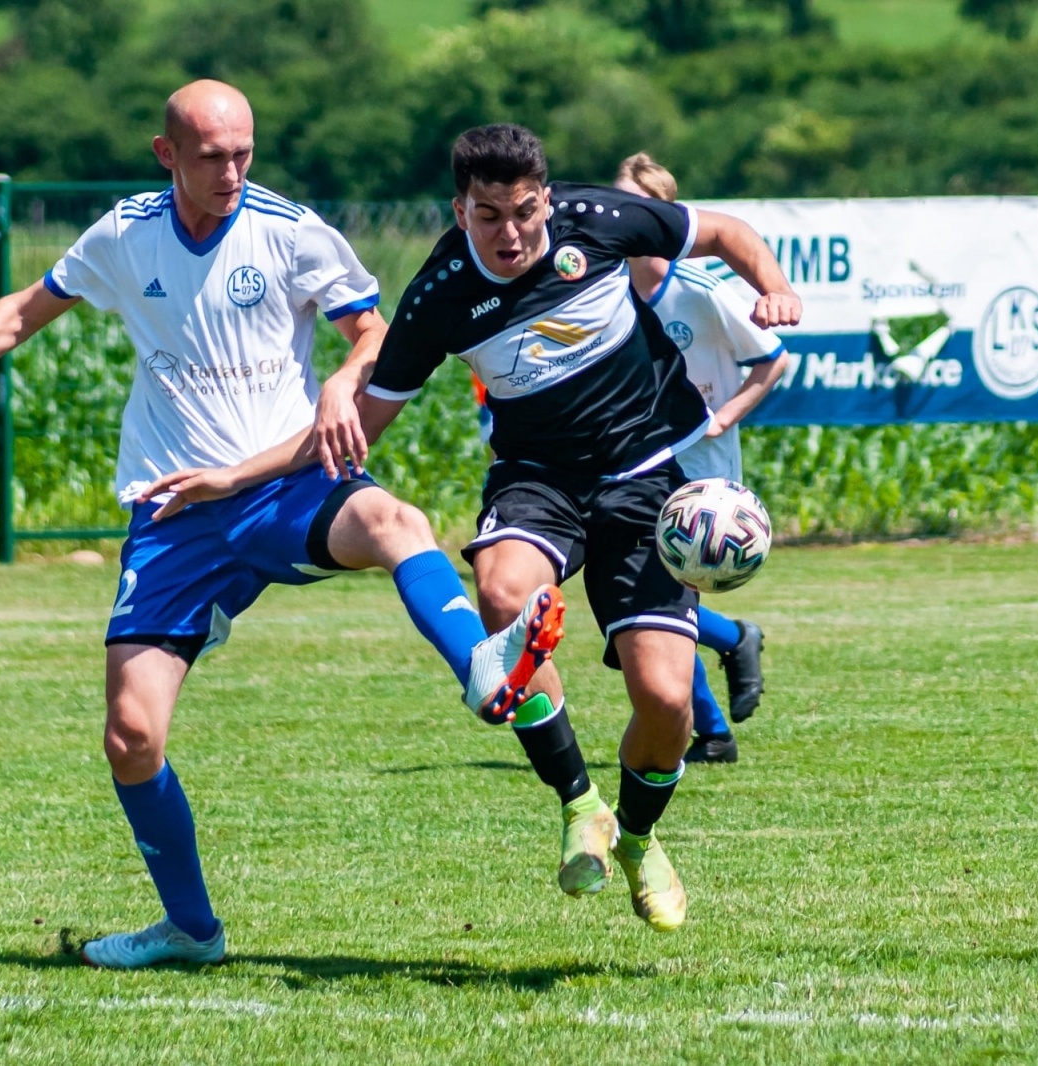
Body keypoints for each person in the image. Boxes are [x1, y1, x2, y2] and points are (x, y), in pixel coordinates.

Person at [0, 82, 562, 969]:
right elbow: (21, 313)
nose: (231, 171)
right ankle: (191, 930)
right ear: (167, 154)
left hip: (282, 487)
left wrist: (344, 380)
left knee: (394, 518)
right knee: (131, 735)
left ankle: (481, 669)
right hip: (174, 512)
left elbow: (375, 332)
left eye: (243, 153)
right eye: (210, 155)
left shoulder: (293, 231)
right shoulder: (125, 234)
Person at [331, 124, 801, 932]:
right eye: (488, 216)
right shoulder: (441, 290)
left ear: (547, 196)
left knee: (665, 703)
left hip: (648, 478)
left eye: (523, 211)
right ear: (460, 209)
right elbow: (370, 417)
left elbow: (722, 231)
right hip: (537, 482)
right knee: (503, 589)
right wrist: (335, 409)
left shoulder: (597, 219)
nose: (510, 233)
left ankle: (639, 841)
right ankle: (579, 804)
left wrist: (774, 284)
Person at [615, 152, 790, 765]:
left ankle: (723, 682)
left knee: (659, 600)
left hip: (701, 463)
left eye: (636, 205)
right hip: (640, 457)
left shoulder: (700, 291)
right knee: (654, 601)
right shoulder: (605, 291)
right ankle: (716, 714)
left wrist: (725, 414)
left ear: (662, 213)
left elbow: (773, 357)